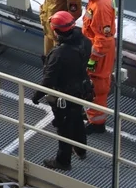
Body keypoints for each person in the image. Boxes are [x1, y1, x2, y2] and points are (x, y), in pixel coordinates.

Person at [32, 11, 93, 171]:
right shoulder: (85, 42)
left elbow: (49, 80)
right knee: (77, 119)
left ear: (56, 30)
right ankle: (81, 150)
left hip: (64, 95)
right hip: (80, 89)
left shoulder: (59, 54)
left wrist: (36, 95)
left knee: (64, 126)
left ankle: (63, 161)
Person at [71, 0, 117, 134]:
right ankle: (92, 113)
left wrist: (92, 60)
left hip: (100, 52)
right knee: (91, 85)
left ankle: (97, 124)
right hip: (94, 47)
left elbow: (102, 39)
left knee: (96, 87)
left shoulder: (101, 6)